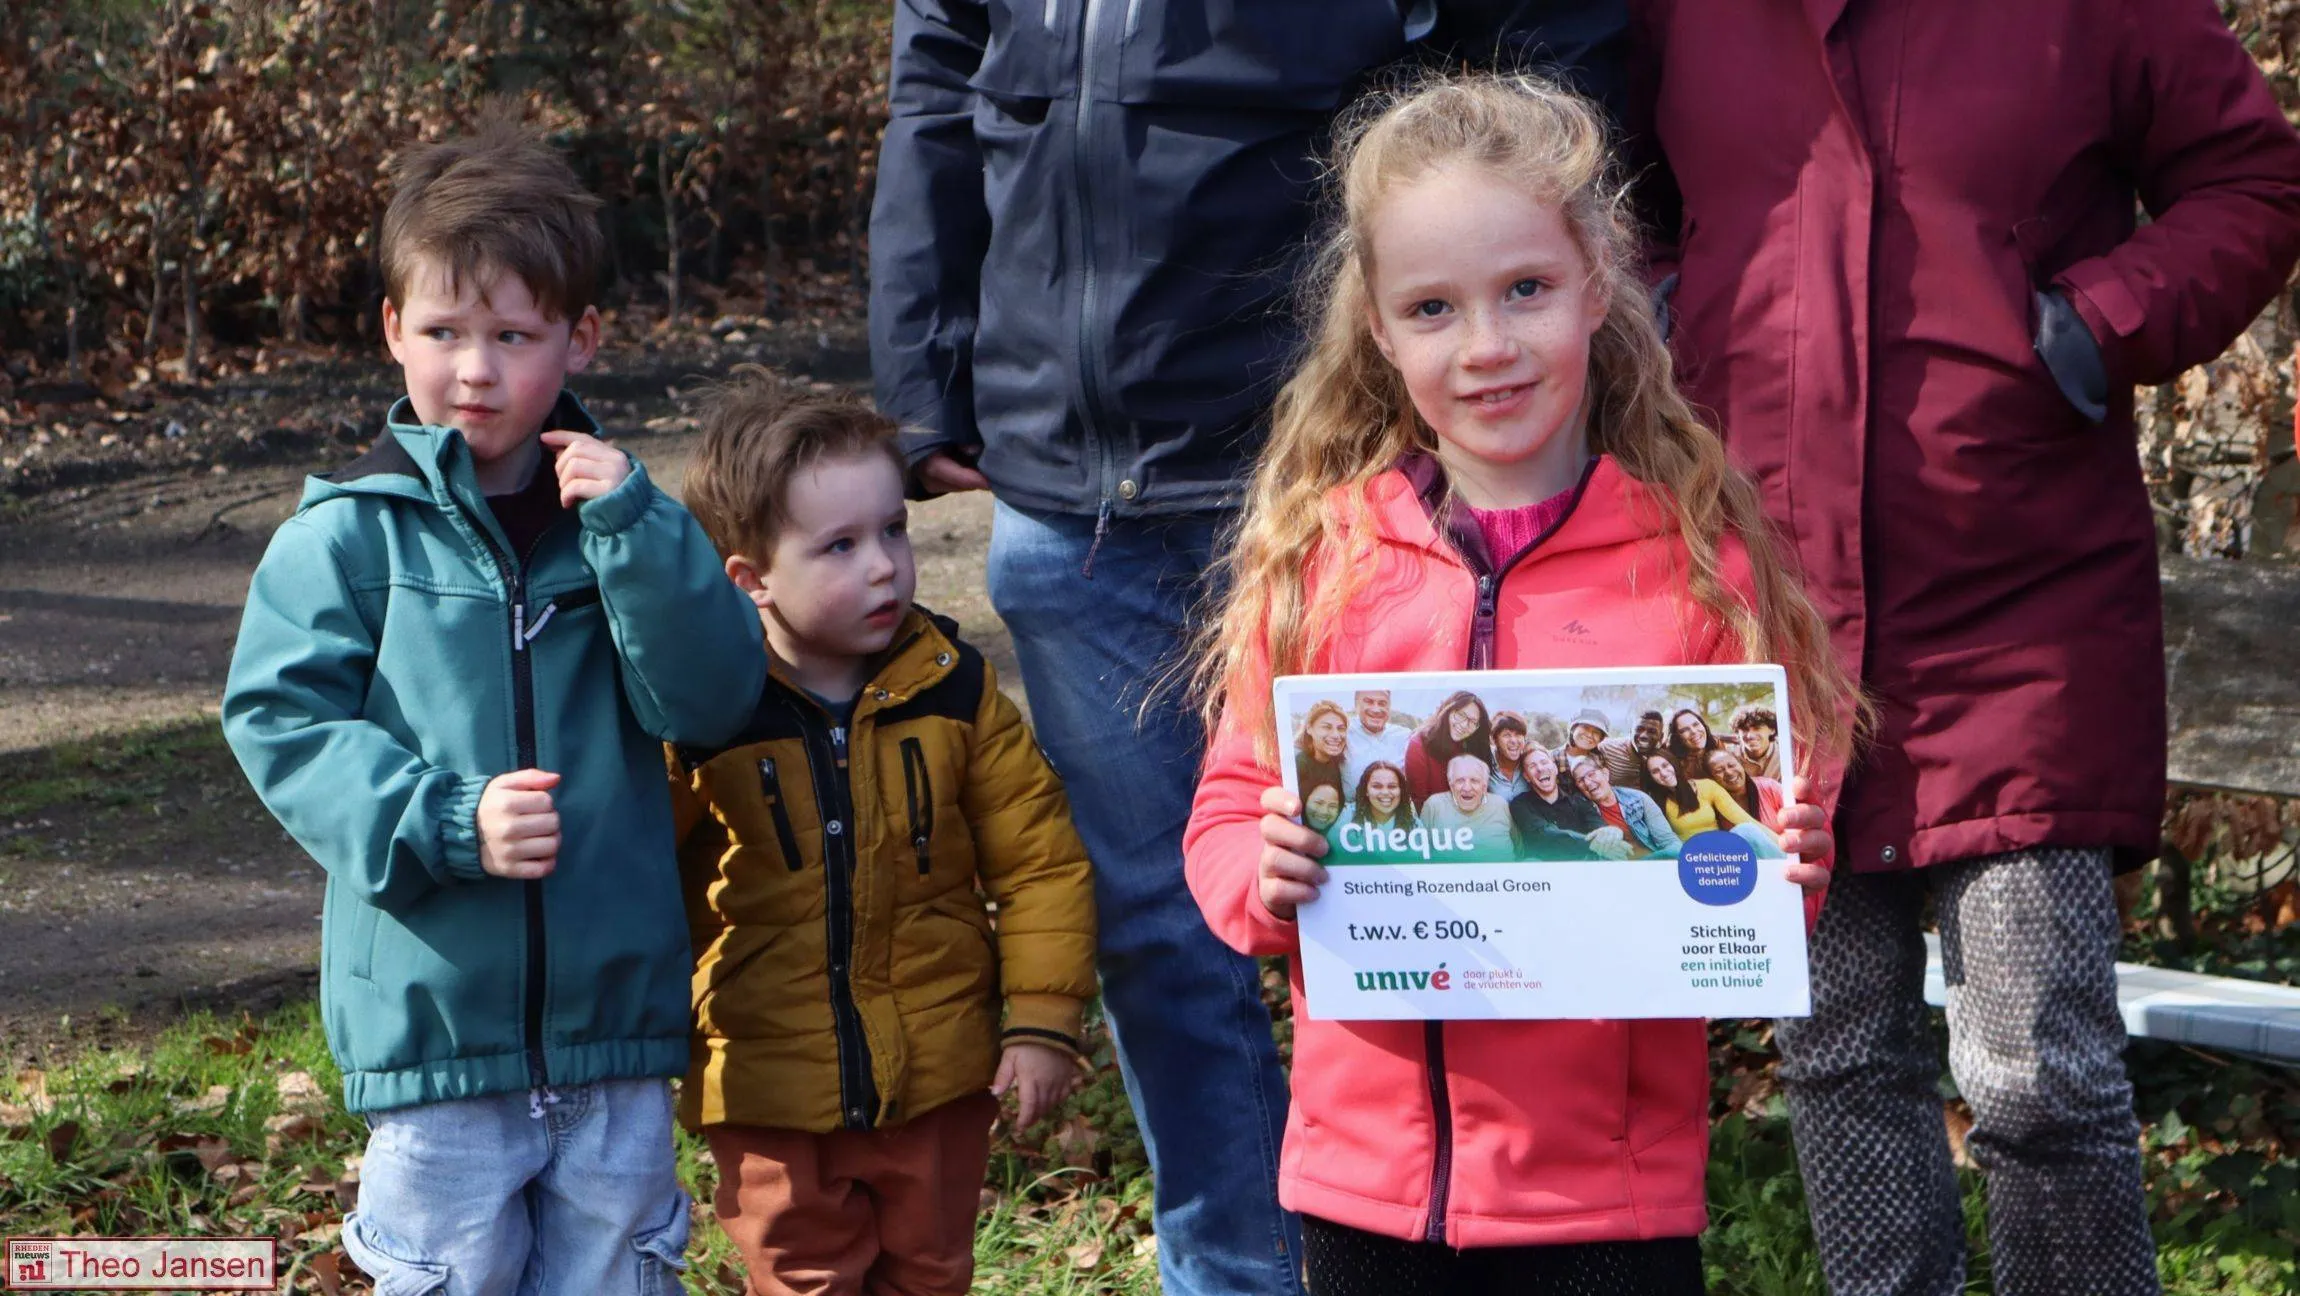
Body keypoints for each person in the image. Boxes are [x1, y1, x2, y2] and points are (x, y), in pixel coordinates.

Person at [871, 10, 1632, 1288]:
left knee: (1434, 881)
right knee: (1170, 925)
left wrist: (1473, 335)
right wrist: (921, 365)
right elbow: (936, 75)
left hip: (1321, 452)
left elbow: (1544, 51)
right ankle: (1232, 1270)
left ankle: (1484, 1241)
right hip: (1064, 488)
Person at [1632, 4, 2300, 1291]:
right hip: (1766, 602)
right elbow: (1618, 195)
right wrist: (1671, 310)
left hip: (2019, 611)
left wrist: (2089, 327)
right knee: (1832, 1051)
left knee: (2037, 1067)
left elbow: (2252, 175)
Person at [1181, 75, 1857, 1295]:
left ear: (1598, 288)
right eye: (1432, 308)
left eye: (1525, 291)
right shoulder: (1320, 562)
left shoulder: (1697, 566)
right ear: (1377, 331)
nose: (1485, 347)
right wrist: (1262, 877)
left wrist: (1786, 860)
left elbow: (1750, 885)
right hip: (1361, 1190)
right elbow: (1228, 808)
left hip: (1606, 1202)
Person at [218, 122, 767, 1295]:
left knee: (615, 1275)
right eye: (443, 334)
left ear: (580, 339)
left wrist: (641, 539)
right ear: (389, 333)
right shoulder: (342, 537)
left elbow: (713, 698)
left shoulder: (627, 524)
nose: (475, 370)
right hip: (436, 1043)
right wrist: (445, 821)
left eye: (513, 337)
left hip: (616, 1033)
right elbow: (282, 723)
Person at [668, 376, 1098, 1296]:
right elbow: (635, 881)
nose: (883, 566)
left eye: (893, 530)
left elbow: (1039, 862)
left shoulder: (951, 688)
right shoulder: (702, 716)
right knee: (804, 1279)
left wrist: (1041, 1022)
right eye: (839, 546)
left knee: (933, 1275)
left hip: (938, 1079)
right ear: (750, 579)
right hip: (768, 1088)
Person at [1643, 752, 1780, 856]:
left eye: (1665, 765)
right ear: (1651, 778)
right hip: (1691, 857)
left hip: (1721, 851)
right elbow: (1666, 842)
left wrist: (1782, 844)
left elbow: (1743, 818)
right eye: (1655, 771)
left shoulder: (1706, 786)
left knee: (1746, 829)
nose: (1663, 773)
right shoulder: (1654, 803)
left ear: (1674, 764)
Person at [1572, 755, 1681, 860]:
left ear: (1605, 774)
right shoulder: (1581, 812)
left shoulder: (1639, 799)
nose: (1587, 783)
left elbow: (1668, 841)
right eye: (1580, 780)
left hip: (1653, 860)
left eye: (1591, 774)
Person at [1508, 745, 1606, 860]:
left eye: (1544, 762)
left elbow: (1600, 828)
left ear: (1555, 768)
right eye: (1532, 766)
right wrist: (1592, 843)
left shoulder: (1579, 801)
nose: (1540, 769)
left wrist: (1607, 837)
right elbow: (1543, 834)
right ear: (1527, 777)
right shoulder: (1520, 804)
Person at [1403, 690, 1496, 805]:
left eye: (1473, 722)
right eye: (1461, 715)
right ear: (1447, 711)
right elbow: (1420, 800)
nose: (1464, 725)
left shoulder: (1471, 745)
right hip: (1436, 817)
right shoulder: (1418, 745)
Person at [1417, 755, 1517, 856]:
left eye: (1474, 780)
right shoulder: (1434, 805)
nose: (1467, 788)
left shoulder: (1499, 804)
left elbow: (1519, 848)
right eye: (1460, 780)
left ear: (1484, 786)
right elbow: (1420, 852)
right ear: (1451, 785)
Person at [1340, 689, 1414, 790]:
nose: (1376, 709)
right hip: (1350, 804)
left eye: (1382, 703)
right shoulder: (1343, 733)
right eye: (1369, 702)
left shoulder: (1404, 736)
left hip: (1390, 803)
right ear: (1356, 705)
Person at [1707, 747, 1786, 837]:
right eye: (1719, 771)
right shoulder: (1713, 809)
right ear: (1711, 779)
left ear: (1741, 765)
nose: (1728, 772)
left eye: (1731, 765)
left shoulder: (1770, 787)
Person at [1296, 700, 1352, 796]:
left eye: (1341, 728)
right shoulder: (1298, 764)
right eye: (1326, 727)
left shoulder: (1338, 763)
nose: (1336, 735)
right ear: (1309, 729)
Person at [1664, 707, 1725, 778]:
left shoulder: (1716, 744)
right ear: (1677, 737)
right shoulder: (1672, 759)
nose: (1693, 731)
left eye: (1696, 724)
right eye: (1684, 730)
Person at [1727, 702, 1781, 783]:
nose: (1750, 735)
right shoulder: (1729, 756)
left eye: (1757, 728)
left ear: (1772, 730)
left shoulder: (1785, 755)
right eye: (1745, 729)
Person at [1487, 711, 1535, 799]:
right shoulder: (1485, 762)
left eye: (1518, 734)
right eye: (1506, 735)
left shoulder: (1530, 761)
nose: (1513, 740)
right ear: (1495, 740)